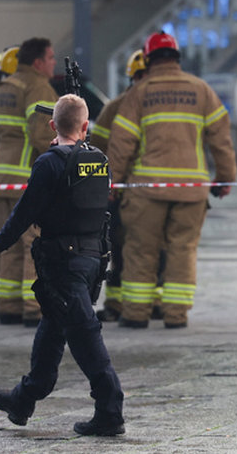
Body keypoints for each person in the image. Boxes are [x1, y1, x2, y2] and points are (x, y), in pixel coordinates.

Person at [0, 94, 125, 438]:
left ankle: (110, 411)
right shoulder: (99, 160)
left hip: (64, 262)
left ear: (50, 125)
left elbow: (22, 215)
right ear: (86, 126)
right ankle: (24, 398)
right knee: (54, 325)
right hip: (93, 260)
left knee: (84, 336)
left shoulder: (49, 163)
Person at [106, 32, 237, 329]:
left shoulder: (139, 93)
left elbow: (122, 143)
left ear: (148, 59)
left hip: (147, 189)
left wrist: (114, 182)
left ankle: (136, 314)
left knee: (141, 250)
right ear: (177, 57)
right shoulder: (201, 90)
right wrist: (225, 177)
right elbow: (221, 139)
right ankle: (176, 315)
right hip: (191, 190)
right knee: (183, 250)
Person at [0, 38, 58, 326]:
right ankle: (33, 309)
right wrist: (58, 163)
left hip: (0, 178)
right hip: (26, 179)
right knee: (33, 245)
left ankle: (7, 306)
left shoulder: (4, 88)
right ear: (38, 62)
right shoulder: (38, 87)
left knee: (7, 244)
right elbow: (41, 135)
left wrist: (1, 158)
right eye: (51, 58)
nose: (54, 63)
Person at [88, 50, 148, 322]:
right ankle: (125, 304)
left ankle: (122, 305)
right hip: (133, 192)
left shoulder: (117, 106)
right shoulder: (157, 104)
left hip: (125, 191)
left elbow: (98, 148)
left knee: (125, 251)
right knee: (129, 250)